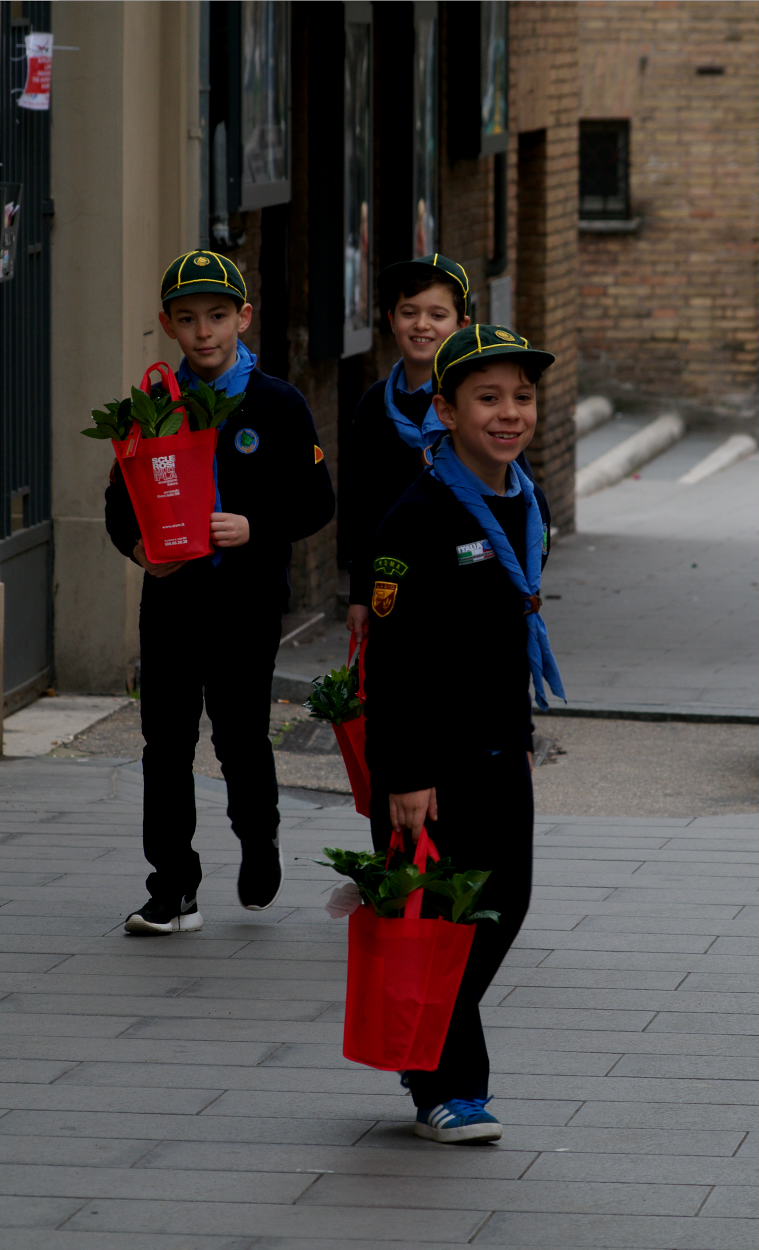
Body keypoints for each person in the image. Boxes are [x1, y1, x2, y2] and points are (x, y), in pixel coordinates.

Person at [364, 323, 566, 1144]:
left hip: (496, 746)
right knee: (449, 917)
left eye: (520, 396)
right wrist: (405, 774)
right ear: (445, 410)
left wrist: (518, 733)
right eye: (487, 398)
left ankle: (427, 1052)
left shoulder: (527, 498)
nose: (508, 413)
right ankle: (446, 1088)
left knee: (503, 906)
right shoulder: (419, 513)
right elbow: (395, 657)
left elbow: (510, 628)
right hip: (429, 761)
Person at [105, 249, 335, 935]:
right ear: (167, 325)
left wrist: (255, 527)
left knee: (238, 737)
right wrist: (140, 549)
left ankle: (259, 842)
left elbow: (317, 501)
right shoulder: (149, 407)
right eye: (187, 319)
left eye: (216, 316)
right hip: (171, 602)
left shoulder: (278, 403)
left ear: (243, 317)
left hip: (245, 602)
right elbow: (121, 503)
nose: (204, 332)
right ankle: (172, 886)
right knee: (165, 743)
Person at [344, 253, 471, 639]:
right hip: (392, 583)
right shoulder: (374, 404)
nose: (421, 325)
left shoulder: (475, 403)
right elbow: (359, 507)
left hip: (464, 586)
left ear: (462, 325)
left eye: (437, 314)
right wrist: (358, 594)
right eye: (408, 312)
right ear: (391, 320)